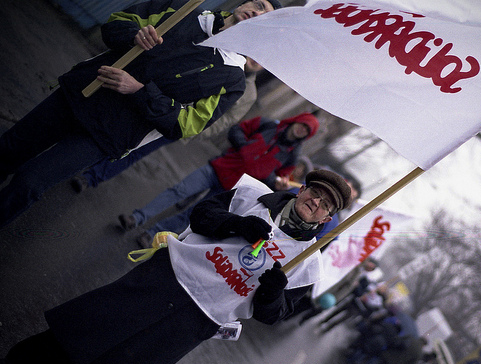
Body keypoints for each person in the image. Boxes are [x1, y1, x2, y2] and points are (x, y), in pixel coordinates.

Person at [0, 169, 353, 364]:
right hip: (165, 280)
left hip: (192, 321)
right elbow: (201, 215)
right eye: (315, 192)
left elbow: (271, 316)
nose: (316, 202)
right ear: (303, 188)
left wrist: (274, 290)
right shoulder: (250, 196)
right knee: (84, 329)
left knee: (108, 362)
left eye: (325, 204)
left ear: (326, 218)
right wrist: (236, 224)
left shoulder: (307, 265)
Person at [0, 0, 281, 227]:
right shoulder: (183, 10)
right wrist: (133, 35)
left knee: (29, 183)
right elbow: (115, 23)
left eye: (263, 16)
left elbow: (186, 125)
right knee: (11, 147)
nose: (255, 11)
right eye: (257, 3)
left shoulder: (232, 80)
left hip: (109, 134)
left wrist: (138, 90)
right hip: (83, 92)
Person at [118, 112, 319, 248]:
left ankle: (152, 233)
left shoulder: (292, 156)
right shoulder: (267, 124)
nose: (301, 130)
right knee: (178, 191)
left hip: (231, 188)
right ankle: (136, 218)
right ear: (296, 120)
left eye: (306, 131)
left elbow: (275, 180)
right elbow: (237, 130)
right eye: (303, 125)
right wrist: (245, 148)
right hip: (219, 167)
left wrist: (275, 182)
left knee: (191, 213)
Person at [70, 58, 264, 192]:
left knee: (136, 150)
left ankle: (90, 177)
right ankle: (79, 160)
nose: (257, 61)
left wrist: (191, 131)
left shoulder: (250, 93)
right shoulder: (226, 61)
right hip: (161, 99)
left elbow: (225, 121)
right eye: (258, 55)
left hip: (178, 124)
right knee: (119, 127)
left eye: (263, 63)